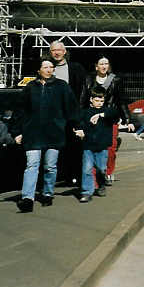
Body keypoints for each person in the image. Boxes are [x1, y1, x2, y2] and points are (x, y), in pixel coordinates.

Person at [12, 57, 78, 212]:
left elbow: (72, 108)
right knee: (32, 166)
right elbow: (20, 111)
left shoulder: (62, 86)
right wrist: (17, 132)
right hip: (33, 133)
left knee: (50, 167)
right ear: (38, 70)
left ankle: (48, 194)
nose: (49, 70)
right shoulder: (30, 87)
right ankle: (27, 199)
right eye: (45, 67)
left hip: (54, 133)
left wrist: (77, 126)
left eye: (51, 67)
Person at [84, 56, 134, 184]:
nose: (104, 66)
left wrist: (128, 120)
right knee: (92, 149)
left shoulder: (115, 80)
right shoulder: (88, 79)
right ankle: (94, 180)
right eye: (101, 64)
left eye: (106, 63)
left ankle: (108, 172)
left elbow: (121, 101)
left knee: (110, 149)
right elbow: (82, 99)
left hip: (109, 118)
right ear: (96, 66)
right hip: (92, 119)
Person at [49, 41, 87, 186]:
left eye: (59, 50)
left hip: (71, 112)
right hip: (53, 115)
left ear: (64, 52)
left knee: (74, 146)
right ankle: (59, 176)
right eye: (53, 50)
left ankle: (74, 176)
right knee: (56, 147)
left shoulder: (76, 68)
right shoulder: (47, 68)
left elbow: (83, 90)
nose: (56, 53)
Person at [73, 88, 118, 203]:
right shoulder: (85, 112)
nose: (99, 103)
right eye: (97, 100)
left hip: (102, 146)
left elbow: (115, 113)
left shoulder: (106, 112)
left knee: (101, 169)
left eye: (101, 101)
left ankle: (101, 185)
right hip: (88, 145)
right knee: (87, 169)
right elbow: (78, 122)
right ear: (91, 99)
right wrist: (79, 130)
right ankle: (87, 192)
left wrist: (101, 115)